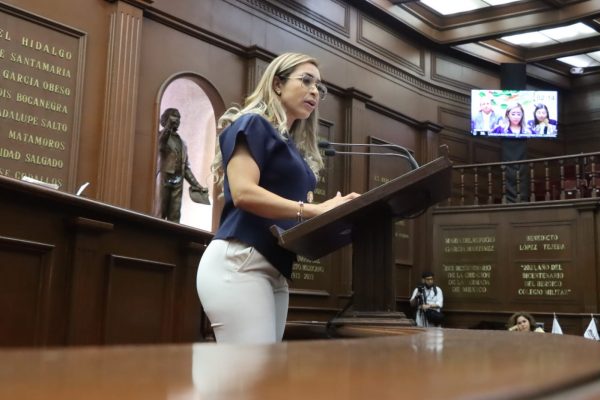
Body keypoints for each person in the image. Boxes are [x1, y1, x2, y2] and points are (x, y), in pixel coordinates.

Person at [196, 52, 359, 344]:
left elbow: (292, 215)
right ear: (278, 84)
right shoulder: (253, 124)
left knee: (261, 370)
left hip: (276, 267)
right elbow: (244, 193)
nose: (314, 91)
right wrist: (315, 210)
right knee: (250, 369)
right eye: (306, 81)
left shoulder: (290, 145)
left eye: (319, 87)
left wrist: (334, 215)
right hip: (240, 260)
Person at [157, 108, 210, 222]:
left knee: (175, 215)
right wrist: (168, 126)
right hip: (163, 180)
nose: (177, 119)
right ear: (166, 118)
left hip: (178, 182)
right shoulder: (160, 136)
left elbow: (185, 168)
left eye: (178, 117)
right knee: (160, 213)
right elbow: (161, 145)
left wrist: (197, 185)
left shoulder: (181, 142)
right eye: (174, 116)